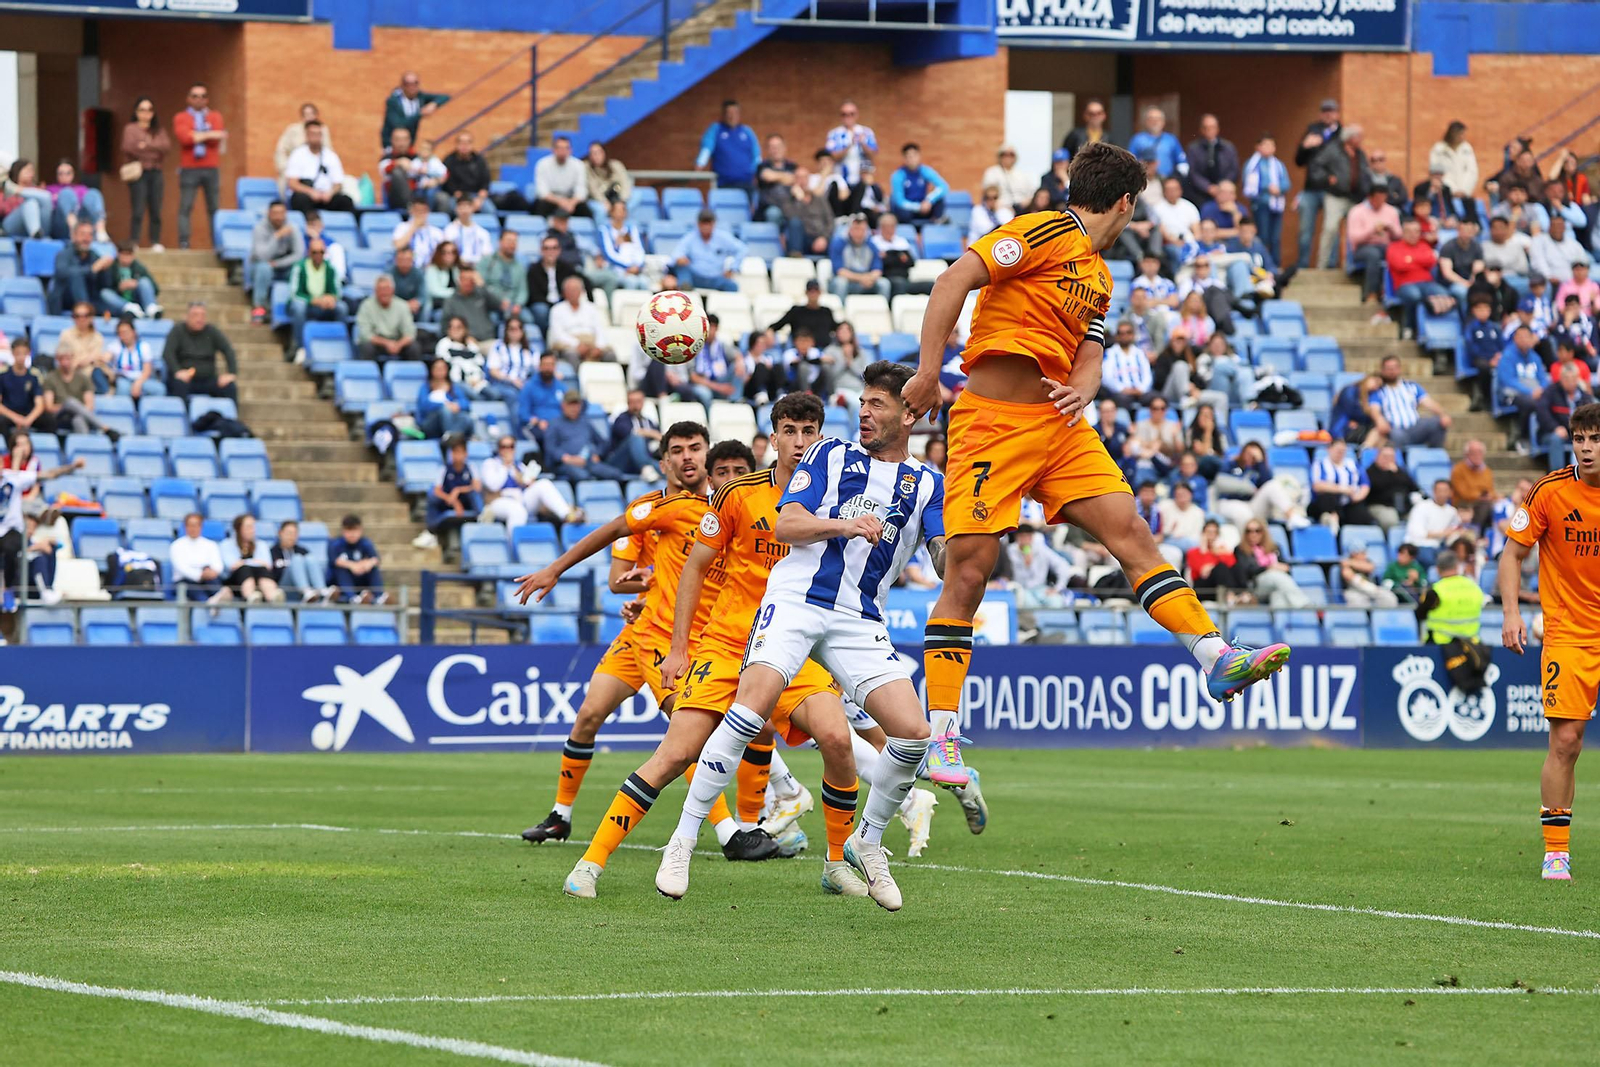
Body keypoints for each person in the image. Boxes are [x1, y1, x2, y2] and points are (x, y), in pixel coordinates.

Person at [902, 142, 1290, 788]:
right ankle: (940, 735)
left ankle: (1214, 654)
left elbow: (1090, 350)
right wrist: (925, 370)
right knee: (970, 572)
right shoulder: (1046, 230)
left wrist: (1086, 384)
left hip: (1059, 426)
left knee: (1130, 531)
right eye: (1133, 212)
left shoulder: (1102, 277)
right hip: (993, 421)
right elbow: (954, 280)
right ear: (1125, 203)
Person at [631, 365, 943, 908]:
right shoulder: (828, 455)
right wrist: (844, 526)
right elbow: (787, 525)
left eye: (877, 404)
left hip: (859, 617)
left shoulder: (929, 483)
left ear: (910, 413)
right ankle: (680, 841)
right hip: (795, 601)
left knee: (914, 735)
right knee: (750, 711)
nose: (864, 412)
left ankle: (866, 843)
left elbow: (946, 561)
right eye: (862, 402)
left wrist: (982, 536)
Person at [516, 423, 781, 865]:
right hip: (648, 634)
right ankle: (561, 815)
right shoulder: (654, 509)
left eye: (695, 448)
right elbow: (616, 574)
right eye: (677, 451)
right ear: (665, 462)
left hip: (701, 636)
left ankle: (744, 823)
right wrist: (626, 584)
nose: (687, 457)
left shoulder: (729, 511)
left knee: (699, 733)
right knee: (590, 716)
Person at [1501, 413, 1600, 880]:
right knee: (1566, 740)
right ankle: (1556, 850)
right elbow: (1512, 554)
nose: (1586, 447)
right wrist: (1511, 613)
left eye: (1596, 439)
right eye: (1580, 439)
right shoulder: (1549, 491)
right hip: (1570, 635)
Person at [478, 435, 580, 529]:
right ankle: (514, 543)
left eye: (511, 446)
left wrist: (526, 480)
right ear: (499, 449)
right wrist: (505, 466)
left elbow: (527, 482)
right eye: (504, 447)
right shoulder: (491, 464)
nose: (508, 450)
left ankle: (567, 515)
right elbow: (493, 486)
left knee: (543, 484)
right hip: (499, 501)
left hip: (520, 499)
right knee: (518, 511)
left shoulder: (519, 466)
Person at [172, 83, 225, 250]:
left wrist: (197, 135)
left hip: (211, 167)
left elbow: (218, 138)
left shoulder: (215, 116)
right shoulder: (181, 117)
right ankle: (184, 242)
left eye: (202, 96)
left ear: (207, 99)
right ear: (188, 99)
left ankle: (217, 244)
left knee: (214, 208)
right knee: (186, 207)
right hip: (189, 168)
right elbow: (185, 139)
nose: (199, 100)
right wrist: (209, 134)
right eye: (195, 96)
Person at [1387, 217, 1454, 334]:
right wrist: (1419, 262)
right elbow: (1399, 265)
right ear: (1403, 233)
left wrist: (1410, 259)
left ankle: (1438, 332)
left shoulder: (1424, 245)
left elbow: (1431, 260)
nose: (1413, 235)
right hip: (1405, 285)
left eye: (1416, 231)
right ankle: (1410, 327)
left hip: (1427, 284)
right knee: (1414, 296)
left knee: (1445, 295)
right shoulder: (1394, 247)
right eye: (1409, 231)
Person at [1370, 354, 1451, 447]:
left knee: (1437, 422)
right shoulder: (1378, 391)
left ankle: (1435, 454)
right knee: (1395, 435)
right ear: (1383, 370)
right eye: (1388, 368)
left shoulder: (1412, 386)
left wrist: (1443, 414)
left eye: (1394, 367)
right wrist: (1379, 420)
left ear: (1400, 369)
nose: (1392, 371)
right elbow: (1374, 409)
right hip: (1394, 429)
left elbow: (1428, 402)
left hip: (1415, 427)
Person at [121, 97, 170, 250]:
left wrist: (145, 146)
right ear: (136, 112)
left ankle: (155, 241)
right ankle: (134, 241)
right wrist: (154, 148)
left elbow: (166, 147)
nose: (146, 113)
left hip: (156, 172)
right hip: (138, 173)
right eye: (142, 109)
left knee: (156, 208)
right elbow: (129, 148)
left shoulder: (159, 130)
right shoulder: (130, 129)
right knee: (138, 209)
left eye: (149, 110)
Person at [162, 303, 237, 401]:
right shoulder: (178, 331)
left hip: (208, 379)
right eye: (195, 315)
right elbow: (168, 353)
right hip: (186, 379)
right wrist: (177, 371)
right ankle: (183, 415)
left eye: (202, 315)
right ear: (187, 316)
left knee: (229, 387)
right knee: (178, 385)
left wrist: (231, 373)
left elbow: (228, 350)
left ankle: (230, 416)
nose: (199, 319)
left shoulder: (212, 331)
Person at [287, 237, 346, 362]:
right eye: (315, 252)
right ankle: (300, 347)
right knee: (298, 307)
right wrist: (312, 300)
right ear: (309, 252)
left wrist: (331, 298)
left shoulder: (330, 268)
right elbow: (294, 293)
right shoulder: (300, 267)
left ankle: (340, 346)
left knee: (342, 308)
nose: (318, 255)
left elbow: (337, 292)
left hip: (323, 306)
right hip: (307, 306)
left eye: (321, 252)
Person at [545, 391, 622, 482]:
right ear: (563, 405)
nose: (574, 408)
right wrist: (566, 457)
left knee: (615, 474)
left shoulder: (585, 423)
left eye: (576, 404)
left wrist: (597, 454)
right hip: (567, 464)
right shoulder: (554, 424)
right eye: (570, 404)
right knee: (582, 476)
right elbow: (550, 447)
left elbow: (602, 442)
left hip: (589, 462)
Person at [40, 346, 115, 438]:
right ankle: (104, 428)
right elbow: (49, 407)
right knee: (70, 402)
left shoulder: (83, 378)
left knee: (78, 419)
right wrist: (68, 407)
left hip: (79, 415)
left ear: (73, 359)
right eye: (61, 359)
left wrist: (75, 409)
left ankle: (84, 448)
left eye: (67, 359)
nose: (65, 362)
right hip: (59, 416)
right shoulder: (50, 378)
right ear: (57, 360)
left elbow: (90, 405)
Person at [249, 201, 304, 325]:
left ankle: (291, 308)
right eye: (275, 213)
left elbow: (299, 255)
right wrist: (277, 236)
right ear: (269, 214)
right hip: (262, 267)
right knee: (264, 268)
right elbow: (262, 255)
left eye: (281, 213)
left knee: (299, 269)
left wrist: (278, 263)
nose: (278, 217)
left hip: (284, 267)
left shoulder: (292, 228)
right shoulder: (259, 228)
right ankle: (259, 308)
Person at [1346, 186, 1401, 310]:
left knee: (1397, 253)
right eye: (1377, 199)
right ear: (1370, 197)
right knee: (1373, 254)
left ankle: (1394, 292)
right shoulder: (1357, 211)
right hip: (1362, 248)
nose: (1380, 202)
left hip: (1385, 245)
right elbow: (1354, 238)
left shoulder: (1391, 211)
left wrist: (1390, 229)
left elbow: (1399, 235)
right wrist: (1372, 230)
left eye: (1383, 199)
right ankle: (1371, 294)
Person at [284, 120, 355, 214]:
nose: (316, 137)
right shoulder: (298, 154)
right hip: (307, 195)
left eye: (318, 134)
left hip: (326, 196)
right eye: (313, 134)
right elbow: (293, 183)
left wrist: (330, 193)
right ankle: (311, 225)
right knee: (299, 199)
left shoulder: (331, 156)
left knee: (345, 201)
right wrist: (311, 192)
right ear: (306, 135)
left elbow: (338, 183)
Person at [694, 99, 759, 199]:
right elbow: (707, 148)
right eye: (729, 113)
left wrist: (758, 172)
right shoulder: (716, 129)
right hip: (724, 182)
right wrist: (700, 164)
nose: (732, 116)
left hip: (746, 183)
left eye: (735, 113)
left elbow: (756, 155)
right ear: (724, 114)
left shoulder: (747, 131)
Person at [424, 436, 483, 544]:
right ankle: (431, 529)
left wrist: (458, 490)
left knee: (475, 495)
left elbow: (477, 487)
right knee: (432, 496)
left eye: (460, 452)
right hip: (448, 501)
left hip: (466, 501)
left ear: (466, 454)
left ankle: (481, 519)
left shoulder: (471, 467)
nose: (457, 456)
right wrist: (454, 501)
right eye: (454, 452)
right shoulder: (444, 469)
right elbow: (437, 490)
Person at [1241, 134, 1289, 264]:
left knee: (1275, 238)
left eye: (1271, 145)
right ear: (1258, 147)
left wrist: (1279, 188)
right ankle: (1263, 264)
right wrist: (1268, 187)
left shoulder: (1278, 164)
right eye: (1265, 145)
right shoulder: (1252, 164)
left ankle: (1275, 265)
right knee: (1263, 236)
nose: (1269, 148)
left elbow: (1286, 183)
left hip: (1277, 205)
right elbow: (1249, 184)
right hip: (1261, 204)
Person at [1497, 325, 1548, 447]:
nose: (1524, 340)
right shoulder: (1507, 356)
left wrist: (1542, 390)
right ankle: (1522, 436)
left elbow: (1543, 378)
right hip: (1512, 395)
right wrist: (1530, 392)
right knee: (1529, 402)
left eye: (1527, 336)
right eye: (1521, 337)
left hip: (1535, 394)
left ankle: (1544, 435)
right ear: (1515, 338)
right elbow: (1507, 381)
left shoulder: (1535, 357)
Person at [50, 221, 113, 316]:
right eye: (83, 234)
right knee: (76, 276)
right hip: (64, 299)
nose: (86, 239)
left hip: (90, 299)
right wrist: (90, 270)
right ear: (74, 236)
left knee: (114, 311)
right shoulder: (64, 254)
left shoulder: (94, 255)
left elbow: (105, 285)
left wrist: (105, 270)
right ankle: (85, 312)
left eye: (90, 235)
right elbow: (62, 272)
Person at [673, 209, 744, 292]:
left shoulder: (723, 237)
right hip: (696, 277)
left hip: (716, 278)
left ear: (714, 224)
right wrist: (680, 258)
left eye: (709, 223)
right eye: (703, 223)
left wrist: (733, 268)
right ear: (698, 224)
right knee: (682, 268)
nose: (706, 227)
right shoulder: (690, 238)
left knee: (732, 286)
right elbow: (677, 254)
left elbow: (742, 249)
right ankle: (686, 297)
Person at [1308, 439, 1374, 528]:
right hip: (1326, 502)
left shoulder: (1353, 465)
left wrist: (1358, 497)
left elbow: (1365, 484)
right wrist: (1342, 489)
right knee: (1327, 500)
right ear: (1329, 449)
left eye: (1343, 451)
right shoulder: (1320, 465)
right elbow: (1317, 486)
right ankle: (1331, 523)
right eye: (1338, 450)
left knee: (1362, 515)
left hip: (1348, 503)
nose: (1340, 453)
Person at [355, 274, 421, 364]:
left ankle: (411, 376)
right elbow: (365, 334)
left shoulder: (402, 305)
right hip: (377, 343)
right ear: (375, 291)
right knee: (367, 347)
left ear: (393, 290)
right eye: (381, 290)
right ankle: (368, 376)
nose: (384, 293)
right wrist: (386, 343)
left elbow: (410, 333)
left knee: (414, 347)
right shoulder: (366, 306)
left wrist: (398, 344)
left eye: (387, 289)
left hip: (397, 342)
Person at [546, 275, 612, 363]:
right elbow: (558, 334)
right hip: (569, 344)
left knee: (610, 355)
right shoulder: (557, 309)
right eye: (570, 290)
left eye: (576, 289)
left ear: (581, 291)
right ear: (564, 292)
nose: (573, 293)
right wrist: (577, 345)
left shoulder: (591, 308)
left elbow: (599, 329)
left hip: (591, 342)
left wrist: (598, 347)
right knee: (571, 355)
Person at [219, 513, 280, 604]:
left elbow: (268, 565)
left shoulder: (261, 544)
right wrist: (254, 562)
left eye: (253, 527)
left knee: (262, 570)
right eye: (248, 527)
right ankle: (251, 597)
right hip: (235, 583)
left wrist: (244, 562)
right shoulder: (226, 544)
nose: (252, 530)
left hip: (259, 580)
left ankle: (273, 596)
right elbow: (231, 565)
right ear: (238, 529)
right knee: (245, 569)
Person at [827, 213, 888, 300]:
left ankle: (882, 310)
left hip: (866, 279)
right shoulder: (839, 243)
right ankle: (841, 311)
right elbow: (840, 271)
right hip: (848, 280)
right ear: (849, 229)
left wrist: (869, 278)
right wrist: (861, 278)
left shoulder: (872, 245)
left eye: (862, 229)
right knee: (840, 283)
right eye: (856, 228)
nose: (858, 232)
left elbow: (877, 270)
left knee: (884, 283)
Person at [381, 71, 449, 149]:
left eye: (415, 83)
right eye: (408, 84)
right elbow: (399, 124)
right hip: (392, 146)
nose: (412, 87)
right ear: (402, 86)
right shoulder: (393, 102)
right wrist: (420, 114)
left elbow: (445, 97)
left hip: (410, 144)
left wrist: (433, 104)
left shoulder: (420, 97)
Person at [1404, 479, 1465, 564]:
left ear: (1450, 492)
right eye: (1439, 491)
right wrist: (1442, 534)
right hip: (1419, 545)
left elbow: (1455, 528)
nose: (1442, 494)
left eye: (1445, 491)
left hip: (1439, 546)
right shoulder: (1421, 507)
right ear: (1433, 492)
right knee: (1434, 560)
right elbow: (1417, 533)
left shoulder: (1451, 511)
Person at [328, 514, 385, 603]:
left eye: (355, 530)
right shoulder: (335, 544)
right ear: (343, 531)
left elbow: (375, 559)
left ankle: (380, 597)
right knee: (341, 570)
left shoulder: (366, 543)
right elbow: (335, 560)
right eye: (349, 530)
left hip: (361, 577)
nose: (352, 534)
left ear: (360, 530)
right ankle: (352, 597)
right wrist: (352, 565)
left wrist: (365, 565)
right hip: (341, 582)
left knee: (373, 568)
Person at [0, 338, 51, 437]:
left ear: (28, 354)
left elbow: (39, 404)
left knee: (49, 421)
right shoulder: (3, 374)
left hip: (28, 414)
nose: (21, 357)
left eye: (24, 353)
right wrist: (16, 418)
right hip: (9, 414)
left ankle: (39, 447)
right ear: (13, 353)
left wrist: (29, 419)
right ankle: (9, 449)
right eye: (18, 353)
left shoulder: (34, 375)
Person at [1185, 114, 1239, 205]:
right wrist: (1207, 187)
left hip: (1225, 192)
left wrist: (1222, 187)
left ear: (1217, 129)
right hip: (1201, 194)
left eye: (1212, 127)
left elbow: (1234, 170)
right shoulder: (1193, 148)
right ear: (1201, 130)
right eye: (1206, 128)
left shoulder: (1228, 147)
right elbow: (1193, 172)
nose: (1209, 130)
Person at [597, 200, 650, 294]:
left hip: (634, 269)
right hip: (615, 269)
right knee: (631, 282)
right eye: (617, 210)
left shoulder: (632, 229)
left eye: (622, 210)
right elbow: (609, 254)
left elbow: (640, 250)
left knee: (644, 282)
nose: (620, 213)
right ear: (611, 212)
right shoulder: (604, 230)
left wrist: (637, 266)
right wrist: (627, 267)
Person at [97, 243, 161, 320]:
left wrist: (136, 284)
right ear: (118, 254)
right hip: (119, 302)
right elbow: (105, 287)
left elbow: (155, 288)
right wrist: (119, 288)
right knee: (105, 293)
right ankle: (130, 308)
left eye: (128, 255)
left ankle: (151, 309)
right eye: (123, 255)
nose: (126, 258)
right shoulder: (111, 267)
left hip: (137, 300)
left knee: (144, 281)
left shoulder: (139, 267)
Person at [825, 100, 878, 192]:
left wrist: (863, 144)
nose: (848, 117)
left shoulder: (866, 132)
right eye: (844, 114)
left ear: (857, 115)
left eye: (851, 114)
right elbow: (831, 157)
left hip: (862, 179)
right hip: (841, 180)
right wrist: (849, 145)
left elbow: (873, 155)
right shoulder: (834, 134)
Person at [889, 142, 948, 225]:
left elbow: (943, 187)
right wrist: (918, 207)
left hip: (925, 208)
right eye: (909, 156)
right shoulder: (898, 175)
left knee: (940, 201)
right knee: (900, 210)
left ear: (919, 156)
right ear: (904, 159)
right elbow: (900, 201)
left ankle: (937, 225)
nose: (912, 159)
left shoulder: (925, 171)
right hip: (908, 211)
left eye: (914, 156)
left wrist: (929, 200)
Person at [170, 512, 224, 600]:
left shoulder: (210, 544)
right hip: (184, 581)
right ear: (185, 527)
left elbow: (218, 565)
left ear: (201, 527)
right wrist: (199, 575)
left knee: (215, 586)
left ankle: (218, 599)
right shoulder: (176, 545)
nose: (193, 528)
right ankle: (210, 603)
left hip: (208, 579)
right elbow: (181, 567)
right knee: (198, 593)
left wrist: (212, 572)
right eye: (190, 525)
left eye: (196, 525)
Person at [415, 357, 473, 439]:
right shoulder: (425, 387)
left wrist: (458, 405)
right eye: (437, 368)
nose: (440, 370)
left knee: (466, 417)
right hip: (430, 423)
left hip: (452, 419)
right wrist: (445, 405)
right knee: (444, 410)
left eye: (442, 368)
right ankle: (449, 437)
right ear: (431, 370)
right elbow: (423, 405)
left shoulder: (453, 387)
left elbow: (466, 403)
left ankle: (462, 438)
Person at [532, 135, 589, 217]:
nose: (563, 151)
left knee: (585, 210)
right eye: (559, 148)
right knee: (540, 206)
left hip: (571, 201)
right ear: (553, 150)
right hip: (550, 200)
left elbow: (581, 192)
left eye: (566, 148)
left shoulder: (578, 165)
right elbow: (542, 192)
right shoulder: (542, 164)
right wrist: (561, 202)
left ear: (570, 150)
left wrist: (571, 203)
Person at [107, 318, 164, 399]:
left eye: (126, 332)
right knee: (123, 388)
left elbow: (147, 370)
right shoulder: (115, 346)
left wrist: (138, 383)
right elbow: (108, 355)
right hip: (123, 378)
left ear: (134, 332)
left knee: (159, 389)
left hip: (141, 378)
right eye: (121, 333)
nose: (124, 336)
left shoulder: (144, 347)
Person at [1365, 445, 1419, 530]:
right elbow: (1378, 486)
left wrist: (1396, 473)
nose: (1388, 460)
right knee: (1391, 520)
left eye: (1391, 457)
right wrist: (1390, 473)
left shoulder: (1400, 471)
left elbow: (1412, 486)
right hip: (1381, 505)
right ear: (1377, 457)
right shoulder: (1370, 472)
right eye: (1385, 456)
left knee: (1418, 518)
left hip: (1404, 506)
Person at [1128, 107, 1188, 180]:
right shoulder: (1137, 139)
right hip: (1145, 180)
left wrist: (1176, 178)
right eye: (1151, 119)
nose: (1155, 122)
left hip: (1167, 181)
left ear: (1163, 122)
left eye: (1158, 119)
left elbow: (1181, 162)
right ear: (1146, 121)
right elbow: (1130, 161)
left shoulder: (1171, 139)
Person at [269, 519, 322, 602]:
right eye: (289, 533)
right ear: (280, 533)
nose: (291, 537)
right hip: (283, 589)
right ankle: (306, 591)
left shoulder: (303, 551)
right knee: (297, 558)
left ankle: (322, 591)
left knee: (310, 558)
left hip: (306, 589)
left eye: (294, 534)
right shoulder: (272, 552)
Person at [1430, 121, 1479, 210]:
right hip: (1446, 193)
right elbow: (1437, 173)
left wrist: (1464, 190)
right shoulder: (1439, 149)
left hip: (1464, 194)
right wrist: (1453, 190)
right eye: (1461, 134)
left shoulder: (1466, 148)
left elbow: (1472, 171)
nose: (1463, 137)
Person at [440, 131, 493, 213]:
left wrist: (479, 199)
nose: (464, 146)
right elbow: (447, 183)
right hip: (456, 196)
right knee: (450, 208)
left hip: (476, 195)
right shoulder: (449, 161)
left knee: (490, 210)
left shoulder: (479, 160)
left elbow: (485, 182)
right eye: (461, 143)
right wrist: (461, 198)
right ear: (456, 145)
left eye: (467, 143)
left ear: (472, 145)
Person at [274, 103, 325, 180]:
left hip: (316, 173)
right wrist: (285, 169)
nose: (309, 117)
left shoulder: (322, 129)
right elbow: (281, 151)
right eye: (306, 114)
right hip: (294, 173)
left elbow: (327, 150)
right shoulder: (293, 130)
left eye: (311, 114)